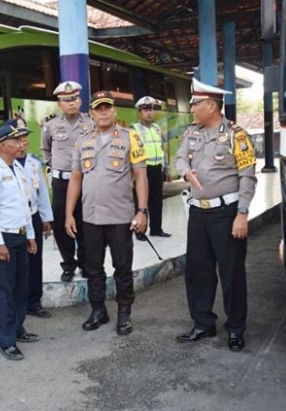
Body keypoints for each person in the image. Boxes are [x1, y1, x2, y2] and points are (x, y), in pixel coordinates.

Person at [174, 79, 257, 352]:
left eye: (195, 104)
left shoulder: (237, 135)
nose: (192, 109)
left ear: (211, 105)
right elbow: (179, 158)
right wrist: (186, 171)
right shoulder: (191, 133)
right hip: (198, 212)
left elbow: (247, 177)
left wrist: (242, 213)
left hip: (227, 213)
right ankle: (202, 323)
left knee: (231, 272)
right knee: (197, 270)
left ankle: (235, 328)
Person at [65, 90, 148, 335]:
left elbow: (141, 175)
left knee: (122, 267)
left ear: (114, 111)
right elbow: (76, 178)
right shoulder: (82, 141)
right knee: (93, 267)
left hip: (121, 217)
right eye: (98, 108)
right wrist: (69, 214)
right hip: (90, 217)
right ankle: (98, 310)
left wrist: (142, 211)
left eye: (107, 108)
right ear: (90, 113)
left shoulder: (129, 137)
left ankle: (124, 313)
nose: (103, 112)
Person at [0, 119, 39, 361]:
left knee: (20, 287)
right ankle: (6, 340)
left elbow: (25, 205)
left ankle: (18, 327)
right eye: (15, 140)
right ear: (2, 145)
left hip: (20, 234)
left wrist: (31, 235)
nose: (20, 143)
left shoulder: (18, 168)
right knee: (4, 289)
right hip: (3, 236)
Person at [41, 81, 92, 282]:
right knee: (62, 225)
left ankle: (86, 263)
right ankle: (68, 264)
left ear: (80, 101)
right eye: (66, 100)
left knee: (86, 223)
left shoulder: (90, 123)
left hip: (86, 181)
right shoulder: (51, 125)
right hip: (62, 182)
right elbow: (45, 149)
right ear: (59, 103)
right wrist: (51, 165)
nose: (71, 103)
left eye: (75, 99)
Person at [16, 119, 54, 319]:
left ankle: (34, 302)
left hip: (34, 217)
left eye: (25, 137)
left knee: (35, 261)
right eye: (19, 138)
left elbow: (43, 193)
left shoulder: (33, 162)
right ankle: (19, 303)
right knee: (18, 263)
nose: (23, 142)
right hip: (16, 221)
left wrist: (47, 218)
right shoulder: (6, 165)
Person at [131, 96, 171, 241]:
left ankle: (156, 229)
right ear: (139, 111)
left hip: (157, 168)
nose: (149, 113)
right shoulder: (133, 129)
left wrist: (166, 168)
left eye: (152, 109)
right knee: (141, 201)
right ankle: (139, 231)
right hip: (142, 169)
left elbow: (162, 148)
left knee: (157, 200)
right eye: (146, 109)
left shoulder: (156, 128)